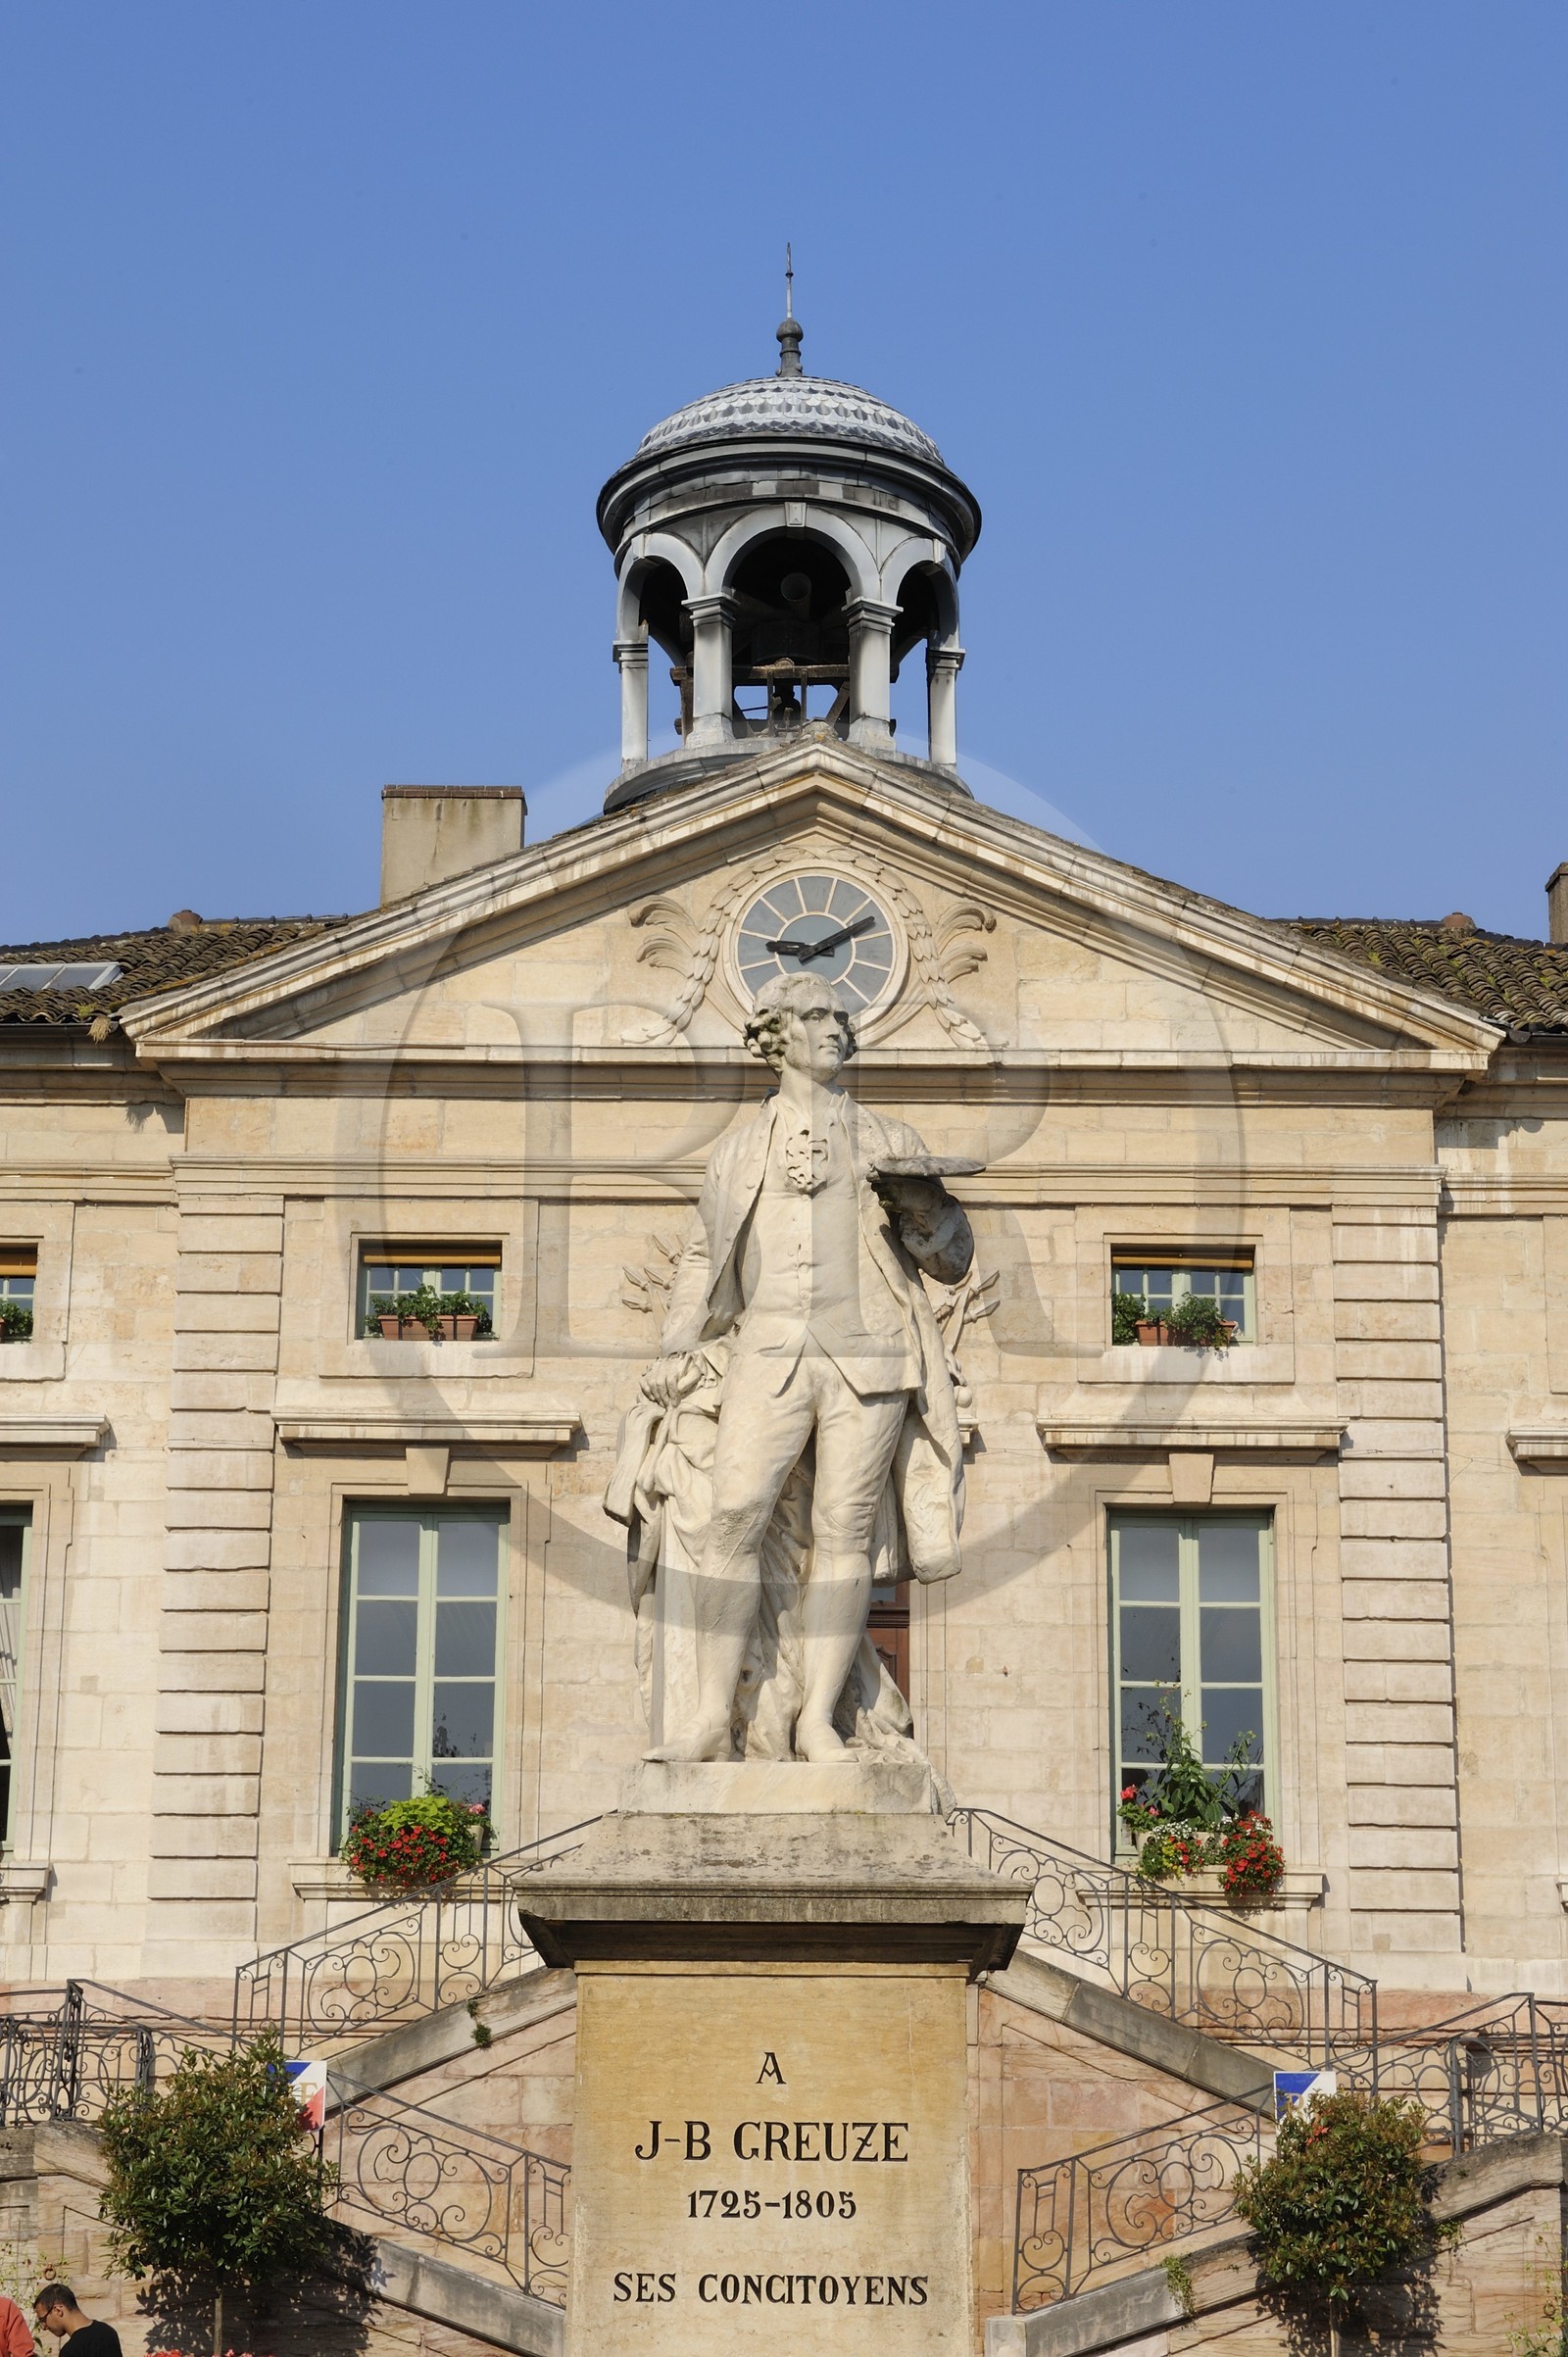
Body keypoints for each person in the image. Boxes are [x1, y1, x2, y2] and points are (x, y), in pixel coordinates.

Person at [639, 971, 974, 1762]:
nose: (836, 1028)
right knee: (733, 1518)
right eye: (817, 1015)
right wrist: (677, 1345)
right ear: (777, 1033)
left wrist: (924, 1210)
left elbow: (955, 1260)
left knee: (845, 1532)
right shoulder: (738, 1149)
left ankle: (820, 1719)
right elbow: (703, 1253)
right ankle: (709, 1718)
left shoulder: (890, 1138)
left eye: (840, 1017)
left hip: (872, 1355)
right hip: (770, 1347)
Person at [31, 2286, 122, 2354]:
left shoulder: (71, 2351)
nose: (44, 2327)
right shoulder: (108, 2331)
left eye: (43, 2319)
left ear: (58, 2310)